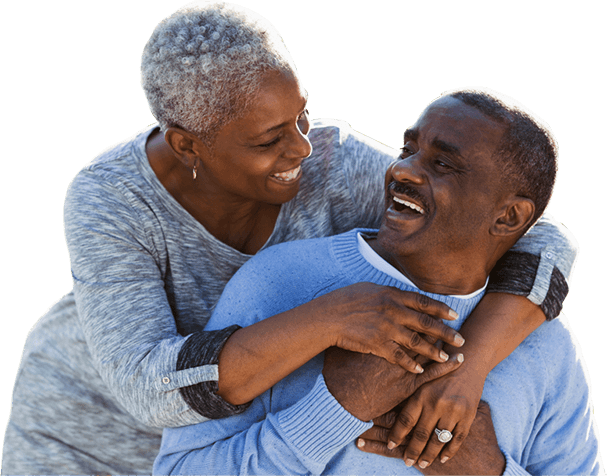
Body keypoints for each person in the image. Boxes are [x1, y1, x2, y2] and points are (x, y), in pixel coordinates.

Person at [2, 1, 577, 474]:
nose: (300, 148)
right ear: (187, 146)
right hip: (84, 433)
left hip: (244, 441)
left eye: (301, 115)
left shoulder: (328, 163)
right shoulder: (111, 198)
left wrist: (466, 367)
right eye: (269, 139)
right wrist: (327, 320)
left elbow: (538, 235)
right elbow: (146, 388)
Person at [153, 87, 601, 476]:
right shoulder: (280, 284)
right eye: (408, 149)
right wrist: (334, 409)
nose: (401, 171)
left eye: (443, 164)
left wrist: (486, 468)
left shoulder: (546, 346)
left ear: (509, 216)